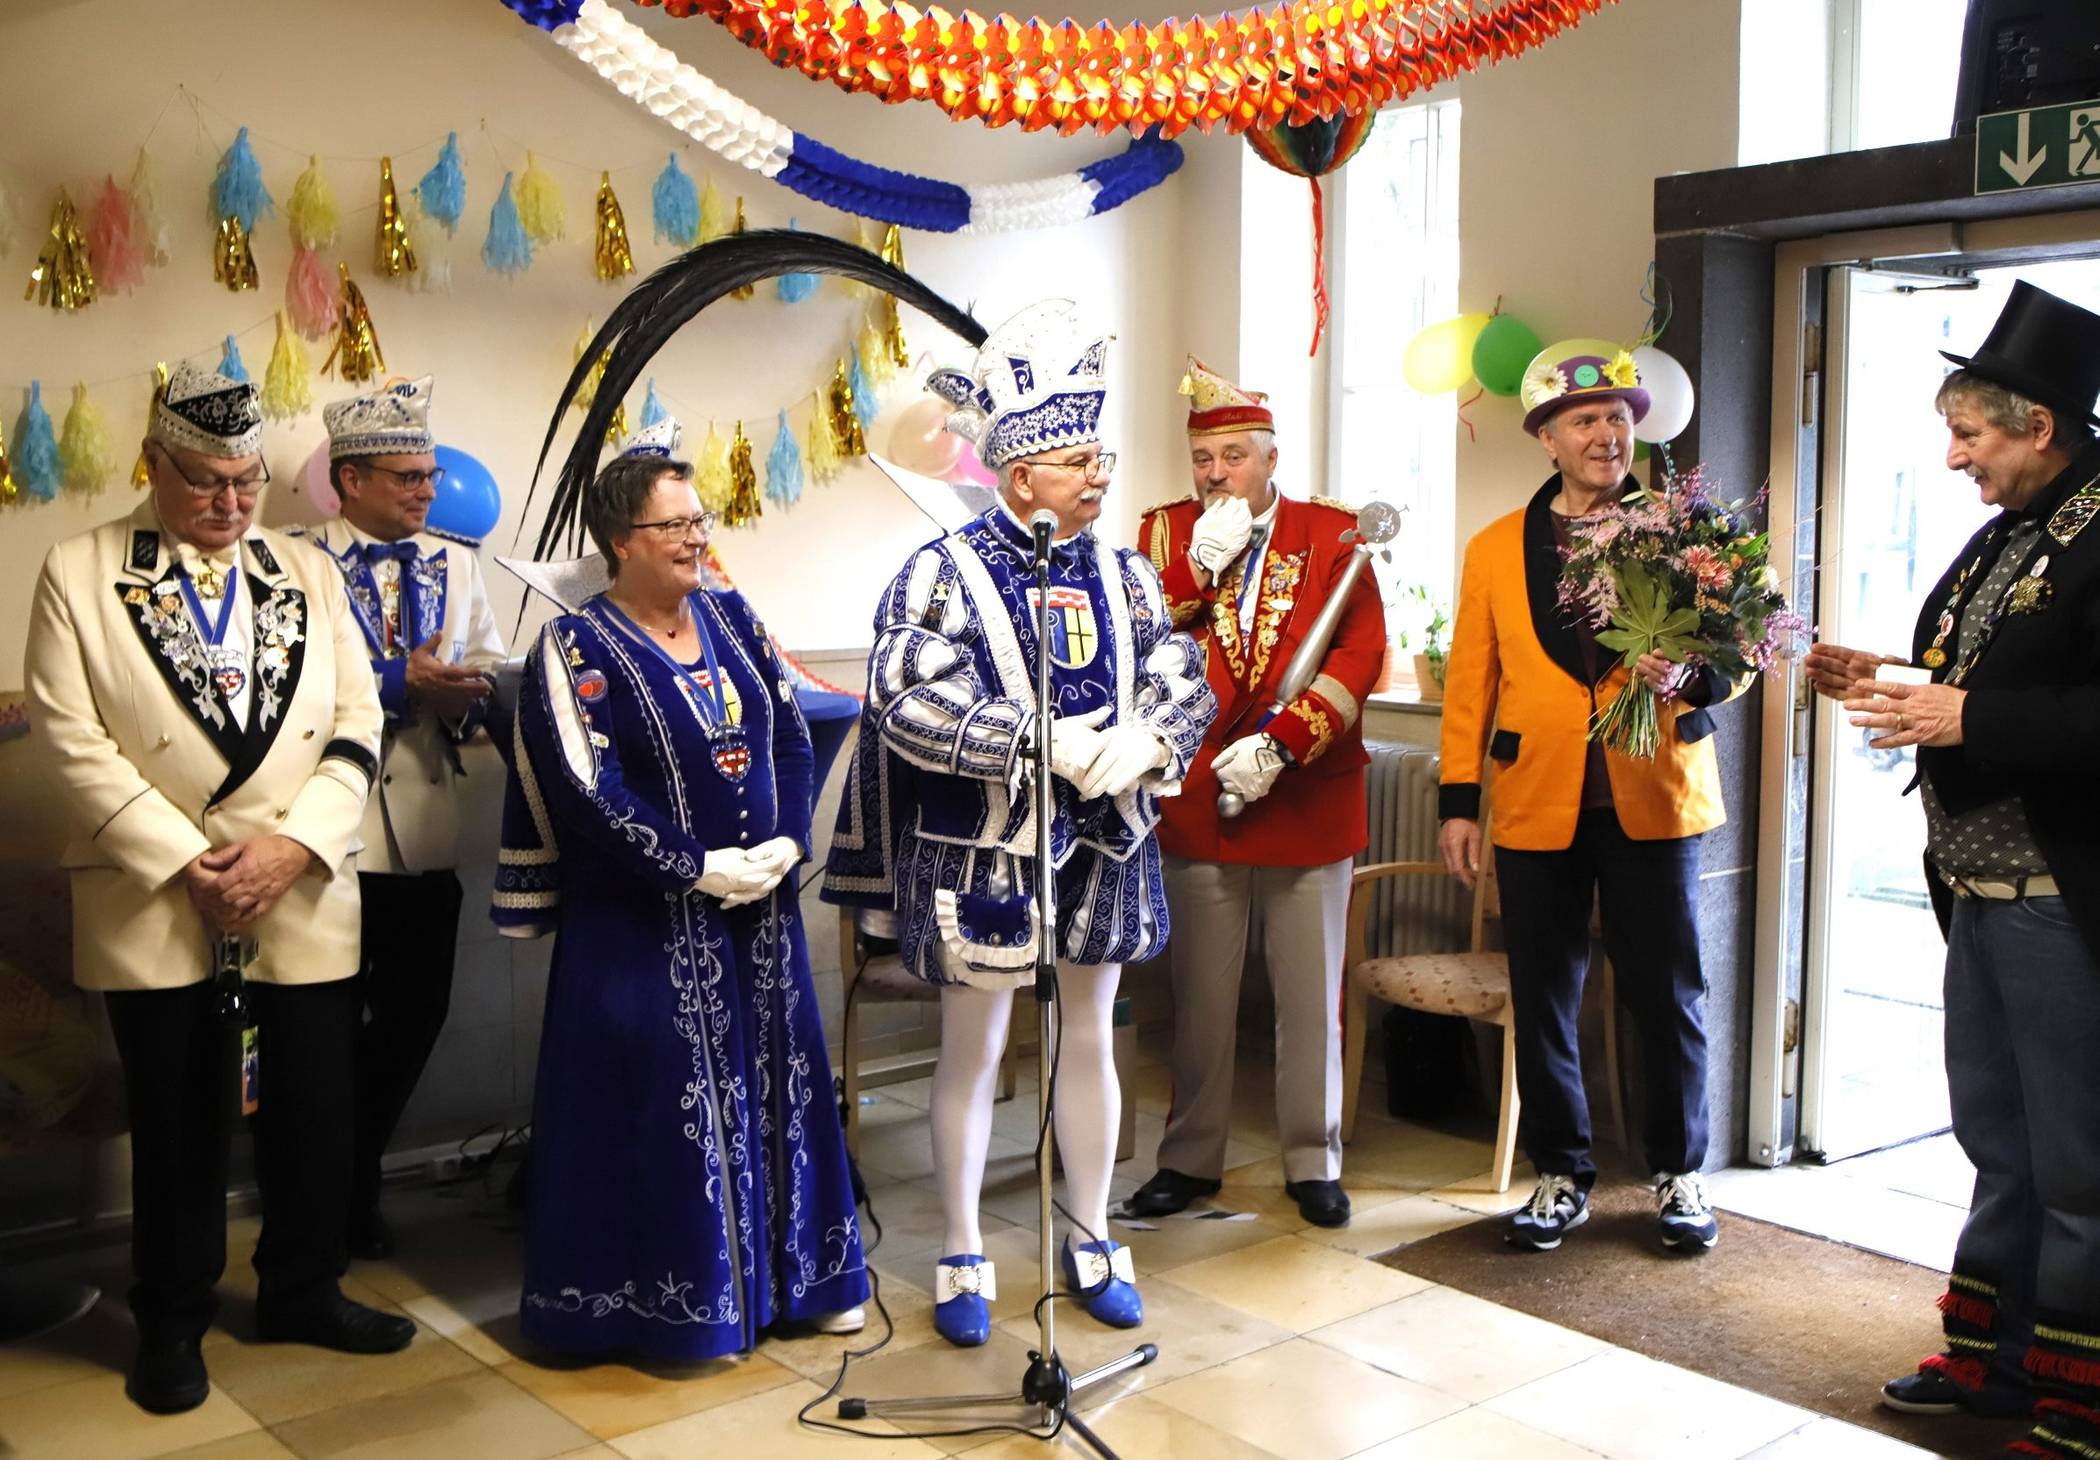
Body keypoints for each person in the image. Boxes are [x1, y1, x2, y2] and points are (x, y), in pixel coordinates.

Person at [824, 301, 1216, 1347]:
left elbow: (1182, 671)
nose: (1099, 475)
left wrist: (1154, 737)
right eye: (1080, 460)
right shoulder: (939, 571)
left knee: (1092, 1035)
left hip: (1109, 841)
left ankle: (1091, 1233)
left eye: (1101, 457)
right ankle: (961, 1248)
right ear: (1021, 472)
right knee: (975, 1044)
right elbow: (905, 697)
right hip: (981, 853)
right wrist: (1034, 741)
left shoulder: (1129, 573)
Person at [25, 362, 411, 1416]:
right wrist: (182, 859)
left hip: (300, 886)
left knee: (317, 1108)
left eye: (246, 481)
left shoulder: (308, 569)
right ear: (152, 463)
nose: (231, 503)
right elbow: (70, 735)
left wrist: (295, 847)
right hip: (157, 894)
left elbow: (358, 719)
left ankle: (303, 1289)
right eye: (204, 480)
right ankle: (170, 1320)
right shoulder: (79, 569)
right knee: (180, 1121)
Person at [493, 420, 868, 1360]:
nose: (698, 538)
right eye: (676, 526)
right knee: (662, 1111)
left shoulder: (735, 619)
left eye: (700, 521)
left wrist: (787, 840)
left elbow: (791, 735)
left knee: (784, 1088)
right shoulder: (573, 647)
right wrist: (693, 865)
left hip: (761, 920)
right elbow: (586, 787)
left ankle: (806, 1282)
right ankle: (673, 1310)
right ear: (621, 541)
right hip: (640, 930)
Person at [1807, 281, 2100, 1458]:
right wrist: (1887, 676)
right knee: (1996, 1137)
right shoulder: (2010, 527)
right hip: (1978, 890)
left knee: (2078, 1163)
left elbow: (2049, 711)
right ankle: (1994, 1358)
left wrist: (1965, 715)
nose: (1953, 457)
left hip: (2063, 900)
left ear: (2039, 425)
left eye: (1970, 433)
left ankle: (2080, 1397)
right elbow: (1985, 678)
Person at [1437, 345, 1742, 1255]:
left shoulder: (1686, 533)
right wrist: (1459, 801)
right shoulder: (1496, 548)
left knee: (1668, 991)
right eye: (1584, 420)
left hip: (1656, 793)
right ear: (1547, 439)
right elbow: (1470, 685)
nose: (1607, 434)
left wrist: (1689, 673)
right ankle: (1561, 1173)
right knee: (1544, 994)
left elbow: (1737, 653)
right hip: (1538, 797)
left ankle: (1678, 1173)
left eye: (1618, 417)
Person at [1123, 359, 1386, 1230]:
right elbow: (1141, 639)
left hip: (1307, 795)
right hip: (1202, 795)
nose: (1216, 473)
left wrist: (1287, 741)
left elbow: (1361, 653)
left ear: (1271, 459)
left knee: (1310, 1000)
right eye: (1203, 458)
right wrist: (1198, 570)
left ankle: (1314, 1159)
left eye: (1234, 456)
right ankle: (1189, 1158)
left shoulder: (1333, 532)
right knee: (1200, 1000)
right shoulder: (1165, 534)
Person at [297, 377, 505, 1259]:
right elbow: (293, 688)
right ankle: (330, 1199)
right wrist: (395, 682)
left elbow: (487, 669)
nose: (427, 491)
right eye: (408, 477)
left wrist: (462, 699)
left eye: (430, 476)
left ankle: (356, 1174)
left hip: (424, 831)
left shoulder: (458, 564)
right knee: (325, 1029)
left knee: (417, 1014)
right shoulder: (294, 561)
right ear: (350, 480)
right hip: (324, 838)